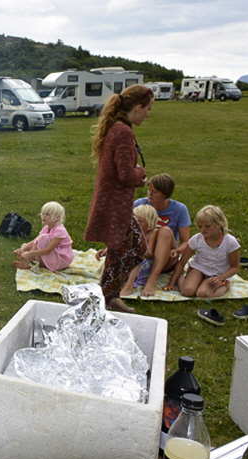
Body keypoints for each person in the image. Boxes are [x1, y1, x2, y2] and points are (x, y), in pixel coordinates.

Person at [84, 84, 153, 313]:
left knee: (121, 250)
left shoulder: (118, 128)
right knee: (135, 248)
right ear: (138, 107)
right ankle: (106, 296)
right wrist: (140, 174)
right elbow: (125, 174)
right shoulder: (123, 132)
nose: (148, 114)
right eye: (148, 109)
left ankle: (108, 296)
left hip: (115, 203)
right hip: (116, 206)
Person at [133, 173, 191, 296]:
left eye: (155, 192)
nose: (150, 194)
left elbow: (186, 241)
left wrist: (177, 251)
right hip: (143, 255)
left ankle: (152, 280)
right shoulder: (140, 205)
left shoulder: (179, 209)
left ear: (166, 193)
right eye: (149, 190)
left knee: (164, 231)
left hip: (166, 258)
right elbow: (126, 230)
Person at [165, 205, 240, 298]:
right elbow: (182, 262)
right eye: (200, 226)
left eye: (208, 226)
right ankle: (181, 278)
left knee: (203, 294)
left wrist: (220, 278)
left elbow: (235, 267)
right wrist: (171, 283)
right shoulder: (196, 239)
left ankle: (226, 285)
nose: (203, 230)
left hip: (218, 274)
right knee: (187, 291)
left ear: (219, 223)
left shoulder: (230, 242)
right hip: (198, 269)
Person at [13, 201, 74, 271]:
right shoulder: (46, 228)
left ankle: (26, 262)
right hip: (53, 256)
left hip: (60, 261)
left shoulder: (60, 230)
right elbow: (34, 242)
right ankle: (33, 259)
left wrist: (29, 254)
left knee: (44, 237)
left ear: (58, 217)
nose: (44, 216)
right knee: (25, 245)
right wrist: (22, 250)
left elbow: (48, 250)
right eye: (43, 214)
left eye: (48, 214)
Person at [120, 204, 160, 297]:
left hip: (143, 263)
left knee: (136, 257)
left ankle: (129, 287)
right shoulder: (131, 232)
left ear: (150, 223)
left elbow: (149, 253)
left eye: (140, 221)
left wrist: (138, 250)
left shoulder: (151, 233)